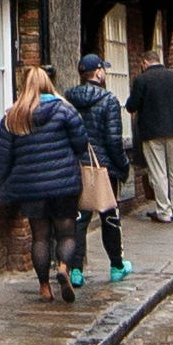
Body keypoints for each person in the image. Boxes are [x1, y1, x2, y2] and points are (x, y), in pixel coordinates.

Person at [0, 66, 101, 300]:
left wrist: (1, 182)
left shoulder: (13, 116)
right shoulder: (65, 110)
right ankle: (64, 267)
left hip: (31, 188)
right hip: (64, 185)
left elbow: (4, 155)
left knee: (40, 237)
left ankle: (44, 288)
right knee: (67, 233)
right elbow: (81, 144)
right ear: (48, 83)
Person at [65, 55, 139, 282]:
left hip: (77, 166)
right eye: (103, 69)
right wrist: (123, 165)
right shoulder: (108, 100)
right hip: (103, 168)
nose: (105, 73)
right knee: (109, 216)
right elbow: (113, 140)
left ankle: (76, 271)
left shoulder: (68, 98)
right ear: (97, 72)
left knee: (79, 218)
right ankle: (116, 265)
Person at [126, 45, 173, 222]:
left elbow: (131, 106)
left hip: (151, 133)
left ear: (144, 63)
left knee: (158, 172)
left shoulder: (142, 80)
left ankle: (164, 212)